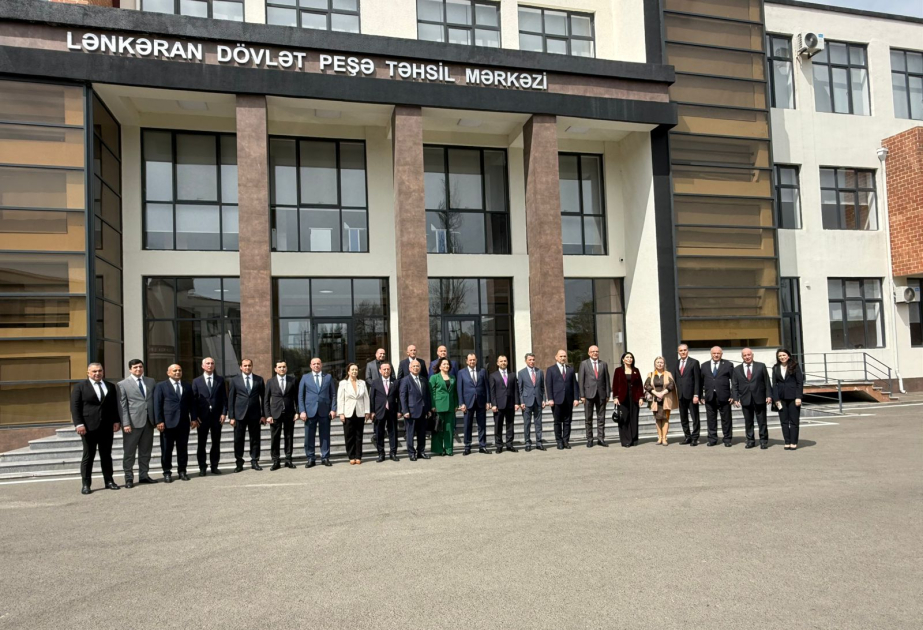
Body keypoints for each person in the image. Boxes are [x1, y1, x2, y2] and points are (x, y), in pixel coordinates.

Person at [71, 363, 121, 495]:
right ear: (88, 373)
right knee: (89, 456)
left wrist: (116, 420)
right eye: (94, 371)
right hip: (88, 427)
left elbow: (113, 405)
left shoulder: (110, 386)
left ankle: (109, 481)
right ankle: (86, 484)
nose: (97, 373)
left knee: (106, 455)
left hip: (106, 426)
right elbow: (75, 407)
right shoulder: (80, 387)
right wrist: (79, 424)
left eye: (100, 371)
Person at [153, 364, 195, 483]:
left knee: (183, 449)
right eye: (175, 370)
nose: (177, 372)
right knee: (167, 449)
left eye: (179, 370)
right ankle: (167, 472)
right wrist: (159, 421)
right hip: (167, 423)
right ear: (168, 372)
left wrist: (194, 418)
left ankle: (182, 471)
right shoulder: (161, 386)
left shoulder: (187, 385)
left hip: (183, 423)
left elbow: (192, 403)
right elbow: (157, 404)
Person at [117, 359, 156, 488]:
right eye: (135, 367)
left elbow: (153, 401)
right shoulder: (123, 384)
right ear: (130, 369)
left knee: (146, 451)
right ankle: (128, 478)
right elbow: (123, 405)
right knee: (129, 452)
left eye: (140, 367)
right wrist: (125, 423)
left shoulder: (150, 381)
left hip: (148, 422)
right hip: (132, 423)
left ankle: (144, 475)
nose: (138, 369)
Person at [227, 359, 266, 471]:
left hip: (255, 415)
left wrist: (263, 414)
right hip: (239, 415)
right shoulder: (234, 380)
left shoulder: (259, 379)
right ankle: (239, 462)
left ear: (252, 366)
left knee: (255, 439)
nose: (247, 367)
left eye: (249, 365)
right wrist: (232, 416)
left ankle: (254, 460)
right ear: (241, 367)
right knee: (238, 439)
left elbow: (263, 398)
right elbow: (231, 399)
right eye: (245, 366)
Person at [191, 357, 227, 476]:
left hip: (217, 417)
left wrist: (224, 413)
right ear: (202, 366)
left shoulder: (220, 380)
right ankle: (202, 467)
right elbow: (194, 401)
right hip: (202, 418)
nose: (210, 365)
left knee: (216, 442)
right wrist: (195, 417)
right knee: (202, 443)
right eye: (207, 363)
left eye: (212, 363)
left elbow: (224, 398)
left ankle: (214, 466)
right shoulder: (196, 381)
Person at [298, 357, 337, 468]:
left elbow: (333, 394)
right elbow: (300, 396)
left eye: (318, 363)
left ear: (321, 365)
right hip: (309, 412)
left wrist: (333, 409)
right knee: (309, 436)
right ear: (310, 365)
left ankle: (325, 457)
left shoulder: (328, 377)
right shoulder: (305, 377)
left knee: (325, 436)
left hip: (325, 411)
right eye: (314, 364)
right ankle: (311, 458)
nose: (316, 365)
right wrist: (302, 411)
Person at [732, 348, 773, 450]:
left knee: (762, 421)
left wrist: (769, 395)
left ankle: (763, 441)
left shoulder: (761, 366)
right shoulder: (737, 369)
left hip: (760, 397)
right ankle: (750, 441)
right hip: (745, 399)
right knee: (748, 422)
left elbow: (767, 382)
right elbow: (734, 385)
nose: (747, 357)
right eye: (745, 355)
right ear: (742, 357)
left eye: (749, 355)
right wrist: (736, 398)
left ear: (752, 355)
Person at [264, 359, 298, 469]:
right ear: (275, 369)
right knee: (275, 438)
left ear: (286, 368)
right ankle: (276, 460)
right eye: (279, 367)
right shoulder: (270, 382)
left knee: (289, 437)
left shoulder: (292, 380)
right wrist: (268, 415)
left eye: (283, 367)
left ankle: (288, 459)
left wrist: (297, 412)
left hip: (289, 413)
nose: (282, 369)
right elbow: (266, 400)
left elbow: (297, 398)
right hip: (275, 414)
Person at [545, 349, 580, 450]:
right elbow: (549, 385)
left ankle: (566, 441)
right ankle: (559, 441)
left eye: (564, 356)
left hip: (568, 400)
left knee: (567, 421)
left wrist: (576, 398)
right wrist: (550, 398)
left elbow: (575, 385)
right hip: (556, 400)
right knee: (557, 421)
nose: (563, 358)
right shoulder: (551, 369)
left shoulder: (570, 369)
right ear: (556, 357)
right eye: (561, 356)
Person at [337, 363, 371, 465]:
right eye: (352, 370)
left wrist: (367, 411)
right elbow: (340, 399)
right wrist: (341, 413)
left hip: (360, 412)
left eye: (356, 370)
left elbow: (366, 398)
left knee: (359, 435)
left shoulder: (362, 383)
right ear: (348, 371)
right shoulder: (343, 383)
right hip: (348, 412)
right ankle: (351, 456)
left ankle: (358, 456)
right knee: (349, 435)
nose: (354, 371)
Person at [399, 359, 433, 461]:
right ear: (409, 368)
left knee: (422, 433)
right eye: (413, 366)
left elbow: (427, 396)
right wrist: (405, 411)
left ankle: (421, 451)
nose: (416, 368)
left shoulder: (423, 379)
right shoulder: (405, 380)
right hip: (411, 412)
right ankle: (411, 453)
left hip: (422, 411)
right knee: (410, 434)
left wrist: (428, 409)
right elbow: (403, 396)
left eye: (417, 366)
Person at [458, 353, 491, 455]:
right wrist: (461, 403)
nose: (472, 361)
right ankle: (467, 446)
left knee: (482, 425)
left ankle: (482, 445)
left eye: (474, 360)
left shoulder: (482, 371)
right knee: (467, 425)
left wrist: (488, 401)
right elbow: (459, 389)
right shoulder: (461, 373)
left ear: (476, 360)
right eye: (470, 360)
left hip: (481, 401)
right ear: (466, 361)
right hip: (468, 403)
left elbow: (487, 387)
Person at [771, 348, 804, 450]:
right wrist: (776, 399)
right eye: (780, 356)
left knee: (794, 421)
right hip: (781, 398)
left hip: (794, 397)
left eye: (784, 355)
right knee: (784, 421)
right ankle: (787, 441)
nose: (782, 357)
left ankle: (794, 442)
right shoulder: (776, 367)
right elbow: (774, 384)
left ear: (788, 356)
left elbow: (799, 382)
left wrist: (798, 397)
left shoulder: (795, 366)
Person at [578, 345, 611, 447]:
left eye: (596, 351)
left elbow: (607, 380)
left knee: (601, 418)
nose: (595, 353)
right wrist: (582, 395)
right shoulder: (584, 364)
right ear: (589, 353)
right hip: (588, 395)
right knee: (588, 418)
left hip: (601, 395)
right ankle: (590, 439)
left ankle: (601, 438)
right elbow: (581, 380)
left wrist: (608, 394)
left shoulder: (603, 364)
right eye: (592, 351)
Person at [702, 346, 734, 447]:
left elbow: (734, 381)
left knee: (726, 419)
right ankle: (712, 439)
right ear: (711, 354)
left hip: (725, 397)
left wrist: (733, 395)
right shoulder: (704, 365)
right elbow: (700, 382)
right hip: (709, 397)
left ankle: (727, 439)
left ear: (721, 354)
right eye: (714, 353)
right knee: (711, 419)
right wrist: (701, 396)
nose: (716, 355)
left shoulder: (728, 365)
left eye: (718, 353)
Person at [612, 352, 644, 447]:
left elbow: (639, 385)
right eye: (627, 357)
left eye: (631, 357)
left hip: (634, 397)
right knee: (624, 418)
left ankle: (634, 439)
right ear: (623, 359)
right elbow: (615, 384)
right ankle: (626, 440)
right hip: (622, 397)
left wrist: (641, 397)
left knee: (634, 418)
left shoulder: (636, 370)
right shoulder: (618, 370)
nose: (629, 359)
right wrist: (615, 397)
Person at [369, 361, 400, 462]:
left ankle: (393, 453)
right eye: (384, 369)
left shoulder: (395, 382)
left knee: (393, 432)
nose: (386, 371)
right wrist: (372, 411)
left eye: (388, 369)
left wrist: (399, 410)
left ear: (390, 370)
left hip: (392, 411)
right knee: (379, 433)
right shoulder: (375, 382)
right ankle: (381, 454)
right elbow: (372, 398)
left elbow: (399, 397)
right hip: (379, 411)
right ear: (380, 371)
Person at [644, 357, 678, 446]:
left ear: (664, 364)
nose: (659, 364)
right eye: (658, 362)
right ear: (655, 364)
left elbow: (671, 385)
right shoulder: (650, 374)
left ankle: (664, 438)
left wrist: (662, 393)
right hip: (655, 400)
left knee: (666, 418)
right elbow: (646, 385)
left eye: (661, 362)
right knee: (658, 419)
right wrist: (656, 393)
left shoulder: (668, 374)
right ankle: (659, 437)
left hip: (666, 399)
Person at [489, 355, 520, 453]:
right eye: (501, 361)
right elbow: (492, 391)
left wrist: (517, 402)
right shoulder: (493, 375)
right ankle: (499, 445)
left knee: (510, 425)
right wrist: (493, 404)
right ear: (497, 363)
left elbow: (516, 390)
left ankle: (509, 444)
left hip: (510, 404)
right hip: (498, 405)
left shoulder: (512, 375)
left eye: (505, 361)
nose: (503, 363)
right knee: (498, 426)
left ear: (507, 362)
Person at [517, 353, 546, 452]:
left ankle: (539, 443)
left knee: (538, 423)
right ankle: (528, 443)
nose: (532, 361)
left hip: (538, 401)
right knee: (527, 423)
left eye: (533, 359)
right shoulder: (521, 373)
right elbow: (520, 389)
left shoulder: (540, 372)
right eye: (529, 360)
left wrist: (543, 400)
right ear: (526, 361)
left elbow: (542, 388)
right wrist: (521, 402)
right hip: (526, 401)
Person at [429, 357, 458, 456]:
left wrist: (456, 405)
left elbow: (454, 392)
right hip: (438, 406)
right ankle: (439, 449)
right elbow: (431, 392)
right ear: (440, 366)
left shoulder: (453, 377)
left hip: (450, 406)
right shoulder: (434, 377)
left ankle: (449, 449)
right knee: (439, 428)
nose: (446, 366)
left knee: (449, 428)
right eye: (444, 364)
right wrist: (432, 405)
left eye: (448, 364)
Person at [674, 344, 702, 446]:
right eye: (681, 350)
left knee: (695, 417)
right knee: (683, 417)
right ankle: (687, 437)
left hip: (691, 395)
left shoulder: (694, 362)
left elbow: (697, 380)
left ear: (688, 351)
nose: (683, 352)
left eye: (685, 350)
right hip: (680, 395)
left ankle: (695, 437)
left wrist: (696, 395)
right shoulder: (677, 363)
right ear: (678, 352)